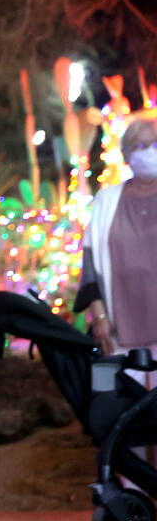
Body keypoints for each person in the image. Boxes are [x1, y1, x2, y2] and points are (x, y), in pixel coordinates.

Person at [77, 113, 157, 361]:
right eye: (140, 146)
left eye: (155, 143)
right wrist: (99, 316)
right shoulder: (107, 200)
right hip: (120, 324)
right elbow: (90, 263)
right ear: (127, 154)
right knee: (127, 395)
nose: (150, 152)